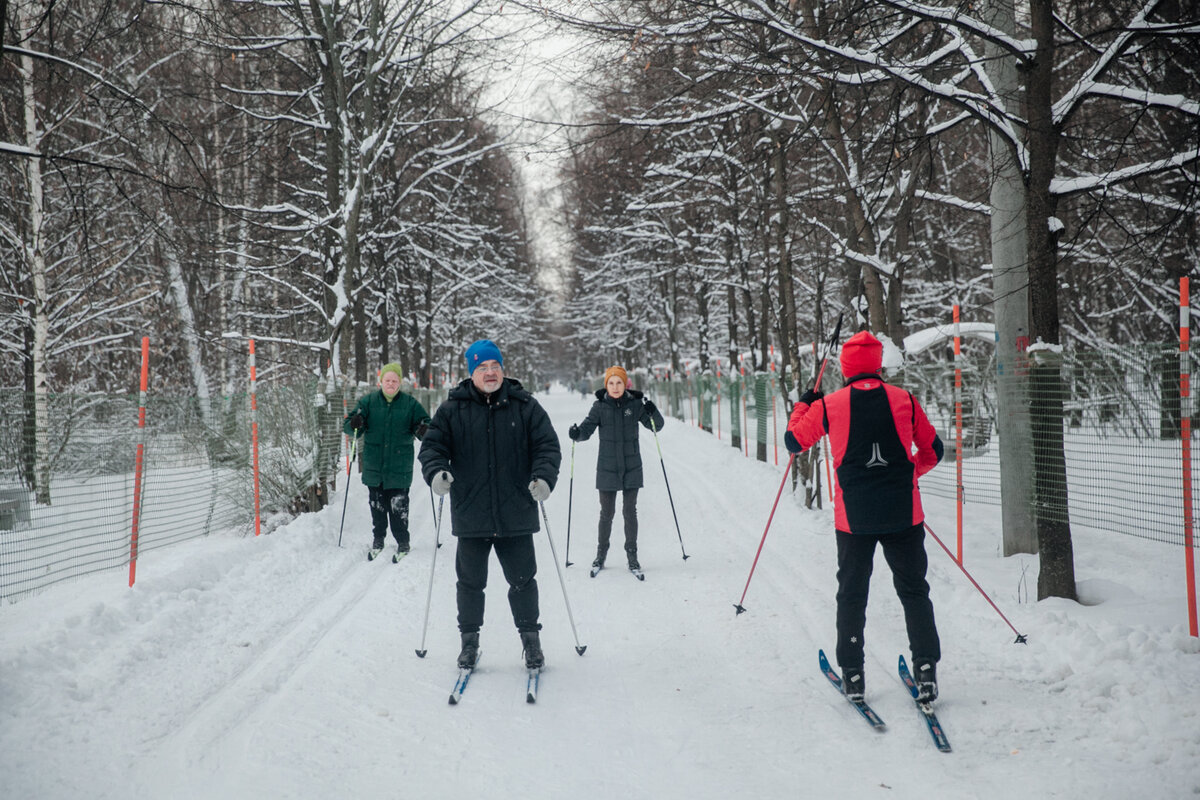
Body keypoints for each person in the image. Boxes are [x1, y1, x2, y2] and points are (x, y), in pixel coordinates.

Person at [784, 330, 945, 703]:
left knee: (852, 595)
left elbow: (794, 442)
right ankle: (926, 670)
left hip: (853, 519)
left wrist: (804, 405)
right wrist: (908, 475)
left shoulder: (830, 405)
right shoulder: (904, 399)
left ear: (844, 367)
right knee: (914, 590)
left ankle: (853, 675)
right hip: (904, 514)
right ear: (878, 364)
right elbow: (934, 449)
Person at [418, 339, 562, 671]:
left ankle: (531, 642)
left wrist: (543, 477)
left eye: (495, 366)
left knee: (524, 581)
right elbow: (432, 447)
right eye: (482, 368)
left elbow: (547, 447)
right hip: (471, 512)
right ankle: (469, 644)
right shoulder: (453, 409)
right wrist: (437, 472)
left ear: (503, 369)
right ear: (471, 373)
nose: (490, 373)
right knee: (470, 584)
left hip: (517, 511)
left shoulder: (525, 406)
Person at [567, 366, 665, 576]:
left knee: (630, 512)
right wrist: (577, 434)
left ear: (625, 384)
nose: (615, 387)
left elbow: (657, 426)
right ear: (606, 386)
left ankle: (632, 556)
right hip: (607, 468)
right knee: (607, 513)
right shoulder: (600, 407)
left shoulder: (636, 405)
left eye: (619, 382)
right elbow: (586, 429)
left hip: (631, 467)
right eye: (611, 383)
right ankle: (601, 554)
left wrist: (652, 411)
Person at [343, 363, 430, 560]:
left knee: (399, 508)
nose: (390, 383)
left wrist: (423, 430)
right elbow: (349, 426)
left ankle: (403, 542)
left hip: (399, 466)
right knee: (377, 507)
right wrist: (355, 423)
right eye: (387, 380)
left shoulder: (410, 404)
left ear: (400, 383)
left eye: (394, 380)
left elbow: (426, 425)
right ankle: (378, 539)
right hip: (374, 466)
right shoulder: (368, 402)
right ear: (380, 381)